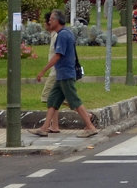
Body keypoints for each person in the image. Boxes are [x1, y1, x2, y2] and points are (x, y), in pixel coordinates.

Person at [31, 10, 98, 138]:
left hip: (65, 74)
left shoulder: (62, 35)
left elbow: (58, 55)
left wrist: (43, 71)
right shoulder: (67, 33)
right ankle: (45, 128)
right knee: (52, 100)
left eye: (51, 19)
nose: (49, 21)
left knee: (74, 101)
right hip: (62, 75)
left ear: (57, 21)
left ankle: (90, 127)